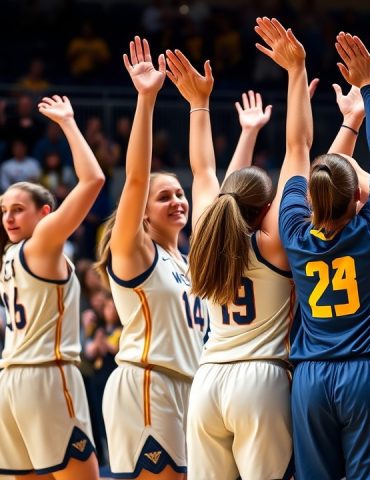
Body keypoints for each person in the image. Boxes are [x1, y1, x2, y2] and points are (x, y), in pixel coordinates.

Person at [269, 23, 370, 478]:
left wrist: (296, 71)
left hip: (310, 376)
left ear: (311, 198)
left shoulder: (294, 231)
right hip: (367, 372)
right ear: (359, 196)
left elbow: (296, 147)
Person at [164, 43, 295, 479]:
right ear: (269, 208)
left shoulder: (206, 235)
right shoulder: (272, 245)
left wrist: (198, 104)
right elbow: (297, 150)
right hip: (261, 380)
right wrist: (296, 76)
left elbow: (204, 172)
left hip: (207, 380)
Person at [95, 37, 207, 479]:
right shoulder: (135, 251)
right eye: (165, 197)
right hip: (147, 382)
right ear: (142, 212)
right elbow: (136, 179)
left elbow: (210, 182)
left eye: (180, 194)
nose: (178, 201)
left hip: (189, 388)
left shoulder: (187, 263)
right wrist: (146, 99)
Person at [0, 95, 105, 478]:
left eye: (17, 209)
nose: (8, 218)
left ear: (44, 212)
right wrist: (68, 122)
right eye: (4, 211)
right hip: (46, 376)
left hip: (10, 382)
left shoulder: (10, 255)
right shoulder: (41, 242)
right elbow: (94, 180)